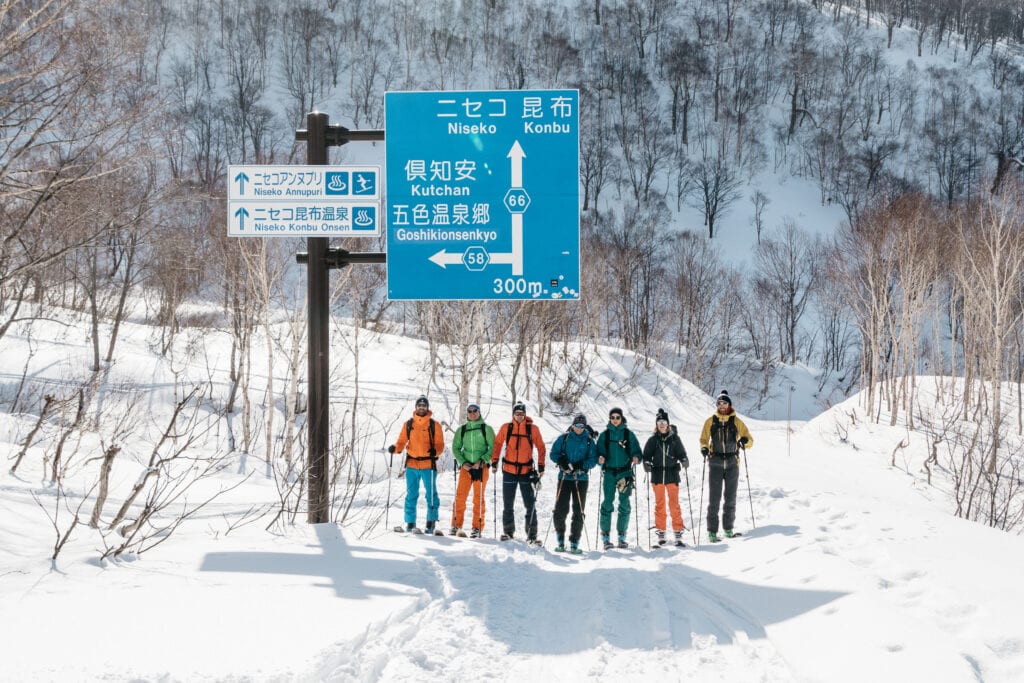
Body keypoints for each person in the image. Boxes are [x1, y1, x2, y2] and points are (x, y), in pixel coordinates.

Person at [699, 390, 754, 543]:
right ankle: (712, 532)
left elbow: (750, 440)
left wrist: (744, 441)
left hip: (732, 463)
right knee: (714, 499)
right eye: (719, 403)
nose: (722, 406)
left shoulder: (737, 422)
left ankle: (728, 529)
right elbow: (703, 439)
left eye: (724, 403)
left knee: (730, 498)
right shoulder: (710, 421)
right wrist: (704, 447)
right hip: (715, 462)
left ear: (729, 405)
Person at [389, 395, 446, 534]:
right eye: (419, 405)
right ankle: (410, 523)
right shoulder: (408, 424)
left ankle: (430, 523)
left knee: (431, 495)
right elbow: (401, 441)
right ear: (416, 407)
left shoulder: (434, 425)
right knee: (411, 495)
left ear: (427, 407)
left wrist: (435, 451)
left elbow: (440, 445)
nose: (421, 407)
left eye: (424, 405)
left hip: (428, 465)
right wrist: (395, 449)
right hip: (412, 465)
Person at [490, 402, 546, 543]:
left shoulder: (532, 429)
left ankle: (532, 535)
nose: (519, 416)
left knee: (530, 504)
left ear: (525, 414)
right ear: (513, 414)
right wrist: (494, 461)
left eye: (522, 414)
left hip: (526, 471)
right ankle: (508, 532)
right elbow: (497, 444)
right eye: (517, 413)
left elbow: (541, 447)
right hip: (509, 470)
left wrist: (541, 466)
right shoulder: (506, 427)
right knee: (508, 504)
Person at [549, 414, 599, 554]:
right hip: (564, 478)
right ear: (572, 425)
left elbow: (593, 459)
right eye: (577, 425)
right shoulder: (564, 438)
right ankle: (560, 539)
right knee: (560, 509)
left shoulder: (589, 441)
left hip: (581, 479)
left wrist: (583, 465)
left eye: (582, 426)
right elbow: (553, 454)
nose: (579, 428)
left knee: (579, 511)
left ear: (585, 427)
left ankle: (574, 542)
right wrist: (561, 461)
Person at [642, 408, 689, 547]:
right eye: (659, 422)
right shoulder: (653, 440)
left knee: (674, 504)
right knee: (660, 504)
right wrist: (646, 463)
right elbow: (646, 455)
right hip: (657, 476)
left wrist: (684, 459)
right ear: (657, 425)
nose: (662, 424)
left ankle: (677, 531)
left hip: (672, 474)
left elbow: (682, 453)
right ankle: (661, 531)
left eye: (664, 422)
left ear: (668, 424)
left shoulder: (675, 439)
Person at [597, 407, 642, 549]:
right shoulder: (604, 435)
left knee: (624, 504)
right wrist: (600, 459)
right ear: (610, 419)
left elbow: (637, 452)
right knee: (607, 503)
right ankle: (605, 536)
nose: (615, 420)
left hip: (625, 473)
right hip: (609, 473)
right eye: (612, 417)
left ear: (621, 418)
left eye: (617, 417)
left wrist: (636, 458)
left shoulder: (629, 435)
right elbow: (598, 453)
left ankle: (622, 536)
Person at [449, 403, 495, 538]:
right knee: (460, 497)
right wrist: (463, 463)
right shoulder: (462, 430)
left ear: (479, 412)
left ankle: (477, 527)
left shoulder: (486, 429)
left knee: (478, 498)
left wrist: (482, 461)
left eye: (475, 411)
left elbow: (493, 448)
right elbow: (456, 448)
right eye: (470, 411)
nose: (473, 413)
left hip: (481, 468)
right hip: (466, 468)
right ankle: (456, 525)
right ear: (467, 414)